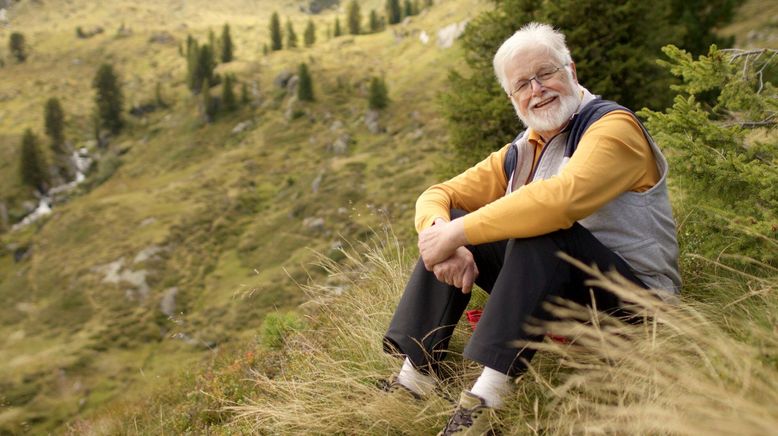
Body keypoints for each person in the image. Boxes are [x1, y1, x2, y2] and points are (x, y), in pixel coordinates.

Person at [382, 22, 681, 435]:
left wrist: (457, 232)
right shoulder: (524, 149)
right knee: (447, 229)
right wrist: (442, 231)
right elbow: (438, 193)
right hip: (568, 298)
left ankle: (483, 404)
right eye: (522, 83)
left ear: (572, 71)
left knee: (541, 227)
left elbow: (560, 202)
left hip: (638, 308)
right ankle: (415, 380)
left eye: (546, 73)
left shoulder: (613, 128)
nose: (536, 89)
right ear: (512, 98)